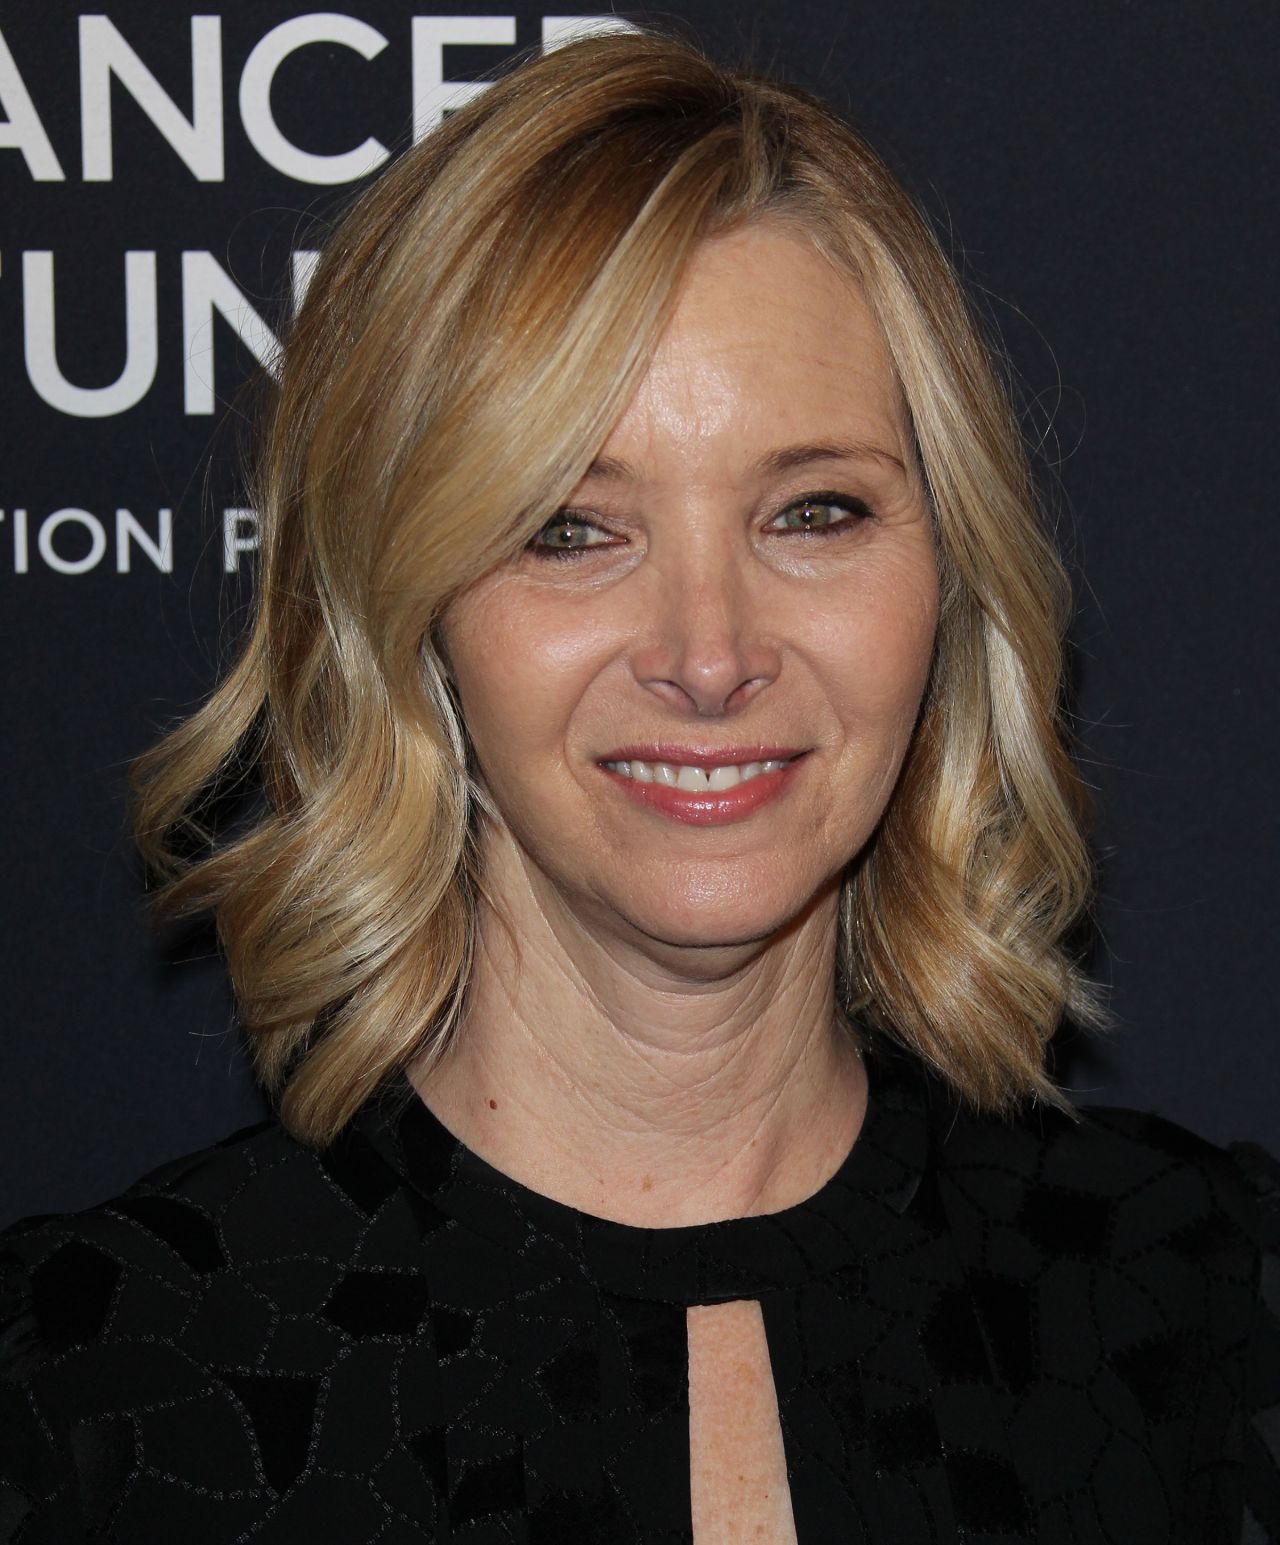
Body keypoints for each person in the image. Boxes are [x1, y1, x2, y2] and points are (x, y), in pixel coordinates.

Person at [0, 28, 1275, 1544]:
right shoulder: (92, 1395)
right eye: (570, 529)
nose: (710, 653)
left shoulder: (1215, 1314)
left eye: (813, 512)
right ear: (407, 610)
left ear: (946, 574)